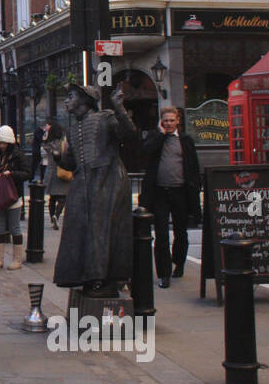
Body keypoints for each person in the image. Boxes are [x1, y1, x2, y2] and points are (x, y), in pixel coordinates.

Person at [54, 84, 136, 298]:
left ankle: (100, 277)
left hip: (107, 178)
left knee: (100, 229)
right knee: (78, 224)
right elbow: (71, 163)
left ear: (83, 99)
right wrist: (57, 156)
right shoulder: (73, 129)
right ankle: (82, 273)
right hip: (84, 180)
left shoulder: (105, 118)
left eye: (70, 96)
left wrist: (119, 108)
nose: (66, 101)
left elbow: (129, 134)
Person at [141, 105, 201, 289]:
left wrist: (196, 189)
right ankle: (163, 274)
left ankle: (179, 262)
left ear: (178, 121)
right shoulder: (155, 138)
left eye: (171, 120)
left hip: (181, 192)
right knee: (160, 234)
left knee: (181, 232)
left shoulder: (186, 140)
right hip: (159, 193)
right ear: (161, 122)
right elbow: (145, 151)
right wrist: (160, 134)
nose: (168, 123)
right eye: (165, 120)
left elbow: (193, 166)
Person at [0, 125, 31, 270]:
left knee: (15, 227)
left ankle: (17, 260)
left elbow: (27, 173)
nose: (2, 146)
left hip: (13, 195)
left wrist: (12, 174)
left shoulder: (18, 155)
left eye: (4, 143)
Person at [41, 122, 69, 228]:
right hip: (62, 172)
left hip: (51, 172)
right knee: (62, 198)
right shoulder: (64, 144)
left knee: (52, 198)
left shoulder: (49, 144)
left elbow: (44, 149)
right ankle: (57, 215)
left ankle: (52, 216)